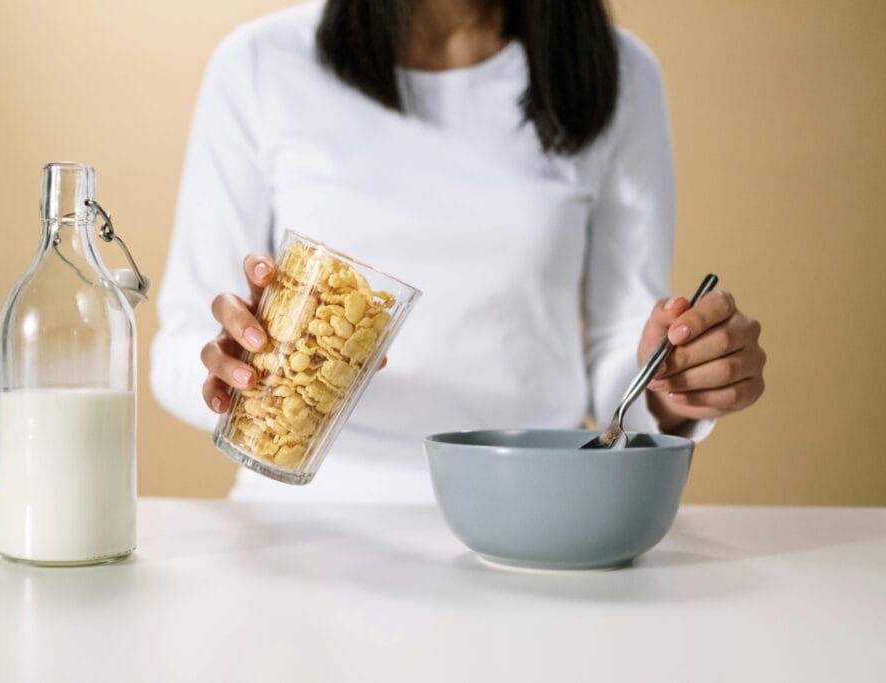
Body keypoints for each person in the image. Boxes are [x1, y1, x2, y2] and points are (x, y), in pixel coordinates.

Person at [151, 0, 767, 502]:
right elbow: (178, 346)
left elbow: (619, 367)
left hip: (529, 508)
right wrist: (229, 372)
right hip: (305, 514)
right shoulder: (261, 62)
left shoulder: (618, 72)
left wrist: (671, 387)